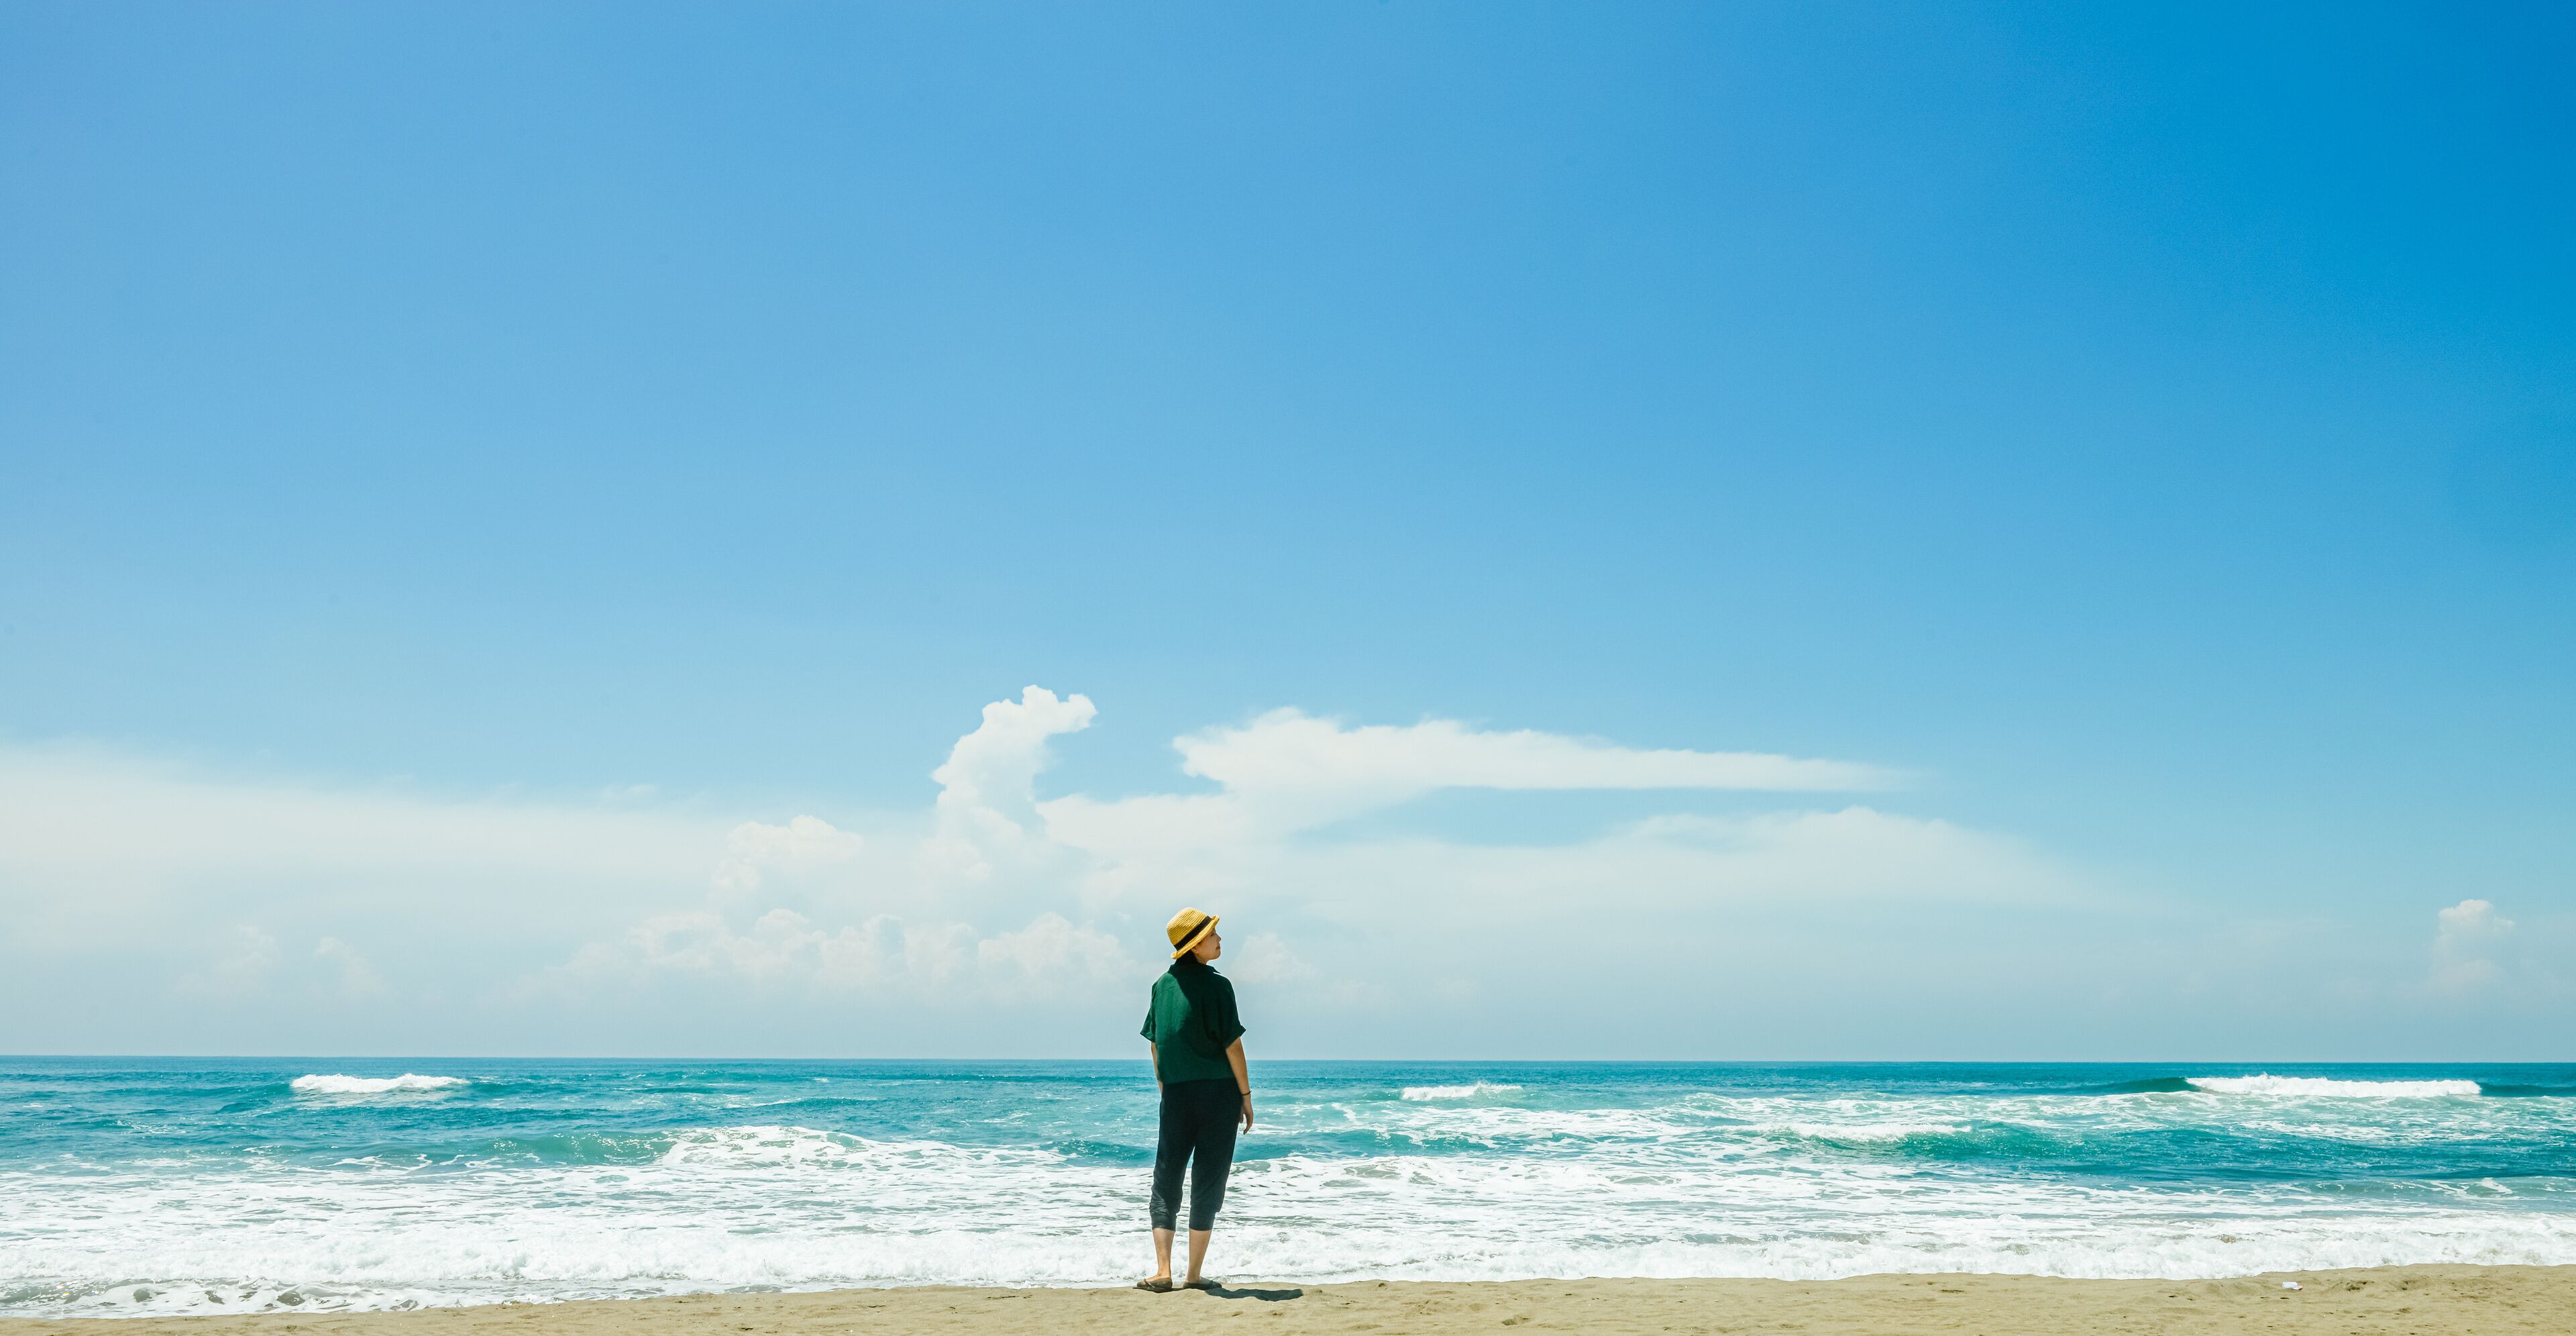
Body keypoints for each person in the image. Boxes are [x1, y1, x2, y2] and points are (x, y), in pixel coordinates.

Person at [1136, 906, 1252, 1292]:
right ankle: (1193, 1276)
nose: (1220, 940)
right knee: (1209, 1179)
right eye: (1214, 935)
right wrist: (1246, 1095)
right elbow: (1233, 1045)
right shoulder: (1219, 986)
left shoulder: (1161, 985)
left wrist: (1166, 1089)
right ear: (1196, 946)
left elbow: (1156, 1044)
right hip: (1219, 1095)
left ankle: (1163, 1270)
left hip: (1177, 1094)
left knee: (1166, 1178)